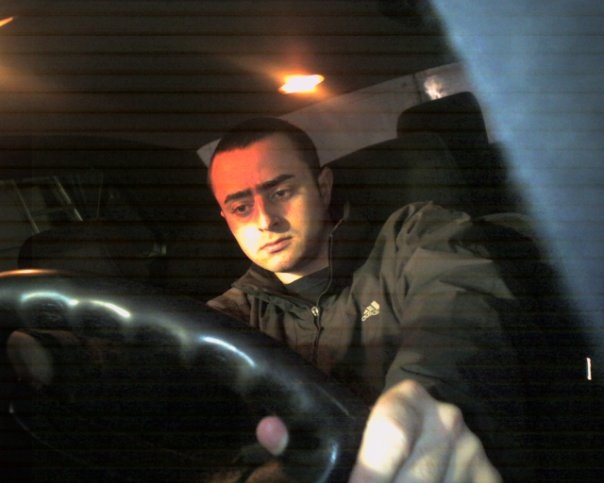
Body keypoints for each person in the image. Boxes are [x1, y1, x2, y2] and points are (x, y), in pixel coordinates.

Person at [207, 117, 532, 481]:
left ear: (323, 187)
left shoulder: (414, 236)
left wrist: (417, 412)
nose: (266, 220)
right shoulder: (228, 316)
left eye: (280, 193)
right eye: (241, 208)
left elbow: (457, 323)